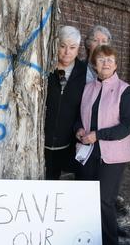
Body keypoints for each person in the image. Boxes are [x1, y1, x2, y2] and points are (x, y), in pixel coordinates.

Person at [75, 45, 130, 245]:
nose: (106, 63)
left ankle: (110, 242)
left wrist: (98, 135)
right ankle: (89, 240)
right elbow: (78, 117)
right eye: (101, 60)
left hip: (113, 155)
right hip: (87, 152)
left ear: (116, 64)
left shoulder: (124, 90)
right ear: (94, 65)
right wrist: (79, 130)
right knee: (86, 200)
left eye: (110, 59)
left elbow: (128, 125)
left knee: (104, 200)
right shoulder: (87, 88)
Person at [44, 26, 87, 180]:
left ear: (78, 49)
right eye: (63, 46)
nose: (67, 52)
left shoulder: (85, 73)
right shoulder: (45, 66)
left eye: (72, 47)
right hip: (42, 140)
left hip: (70, 141)